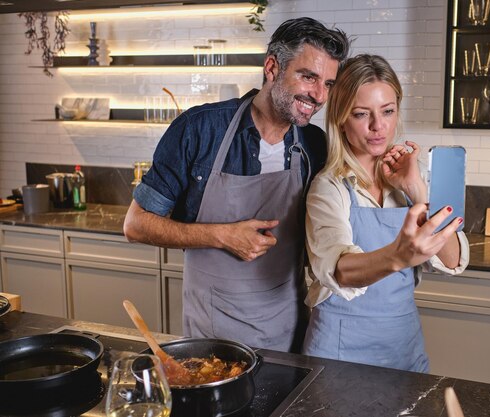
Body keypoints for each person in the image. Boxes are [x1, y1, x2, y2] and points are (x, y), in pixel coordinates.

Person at [123, 17, 350, 353]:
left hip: (286, 331)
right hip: (210, 333)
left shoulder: (315, 144)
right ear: (272, 67)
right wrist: (222, 235)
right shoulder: (200, 130)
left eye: (328, 84)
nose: (318, 95)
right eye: (308, 77)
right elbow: (135, 225)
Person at [302, 54, 470, 372]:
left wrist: (417, 190)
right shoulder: (328, 188)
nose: (378, 127)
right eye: (362, 114)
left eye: (388, 111)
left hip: (402, 347)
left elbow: (452, 260)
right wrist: (399, 256)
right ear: (340, 119)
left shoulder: (415, 174)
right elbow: (340, 271)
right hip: (338, 353)